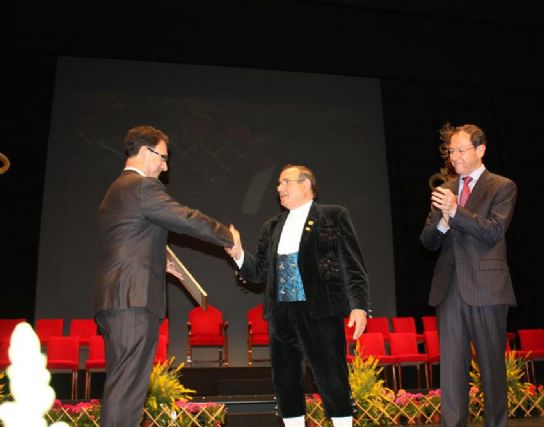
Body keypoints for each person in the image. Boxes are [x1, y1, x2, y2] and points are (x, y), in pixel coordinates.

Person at [93, 125, 234, 427]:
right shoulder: (142, 187)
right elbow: (184, 218)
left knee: (122, 386)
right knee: (128, 389)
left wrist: (159, 262)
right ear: (145, 152)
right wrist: (227, 236)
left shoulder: (115, 190)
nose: (165, 166)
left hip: (117, 300)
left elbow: (127, 242)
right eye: (163, 157)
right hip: (134, 300)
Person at [225, 164, 369, 427]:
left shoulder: (333, 216)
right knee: (286, 378)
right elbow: (258, 273)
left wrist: (358, 305)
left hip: (320, 309)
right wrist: (238, 254)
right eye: (278, 184)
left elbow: (352, 264)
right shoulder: (272, 226)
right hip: (281, 313)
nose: (279, 188)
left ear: (305, 184)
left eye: (284, 182)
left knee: (331, 375)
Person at [420, 123, 517, 427]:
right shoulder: (445, 190)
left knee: (491, 369)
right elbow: (427, 240)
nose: (455, 157)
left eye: (461, 150)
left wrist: (456, 212)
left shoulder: (502, 186)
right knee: (451, 372)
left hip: (487, 288)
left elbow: (493, 231)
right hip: (449, 290)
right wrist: (444, 222)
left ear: (480, 150)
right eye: (451, 151)